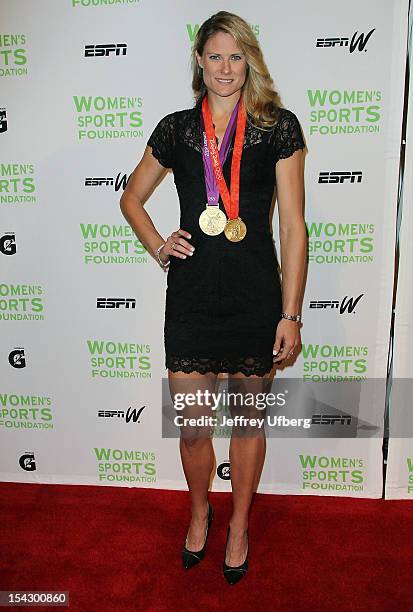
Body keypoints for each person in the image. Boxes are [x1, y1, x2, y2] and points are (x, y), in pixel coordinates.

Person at [119, 10, 306, 585]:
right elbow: (131, 198)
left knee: (249, 424)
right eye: (215, 56)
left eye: (236, 56)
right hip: (193, 297)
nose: (226, 68)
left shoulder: (278, 127)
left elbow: (294, 226)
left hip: (255, 296)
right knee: (195, 426)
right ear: (199, 62)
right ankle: (200, 511)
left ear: (249, 60)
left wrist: (290, 314)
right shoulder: (177, 129)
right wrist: (158, 244)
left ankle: (241, 523)